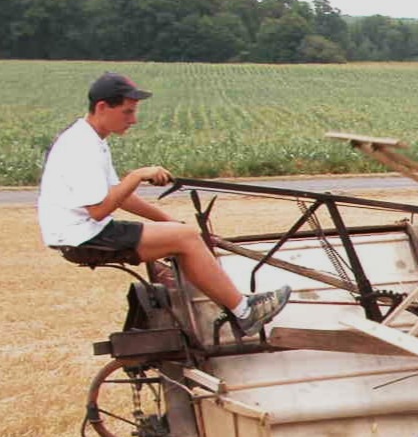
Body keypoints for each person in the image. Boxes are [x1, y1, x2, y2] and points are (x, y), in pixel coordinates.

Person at [38, 72, 291, 336]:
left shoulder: (92, 140)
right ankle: (245, 312)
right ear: (102, 107)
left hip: (85, 231)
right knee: (186, 239)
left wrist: (169, 221)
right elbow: (100, 208)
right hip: (83, 235)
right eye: (127, 112)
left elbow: (119, 196)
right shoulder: (81, 146)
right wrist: (137, 176)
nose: (133, 120)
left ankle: (227, 310)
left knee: (184, 235)